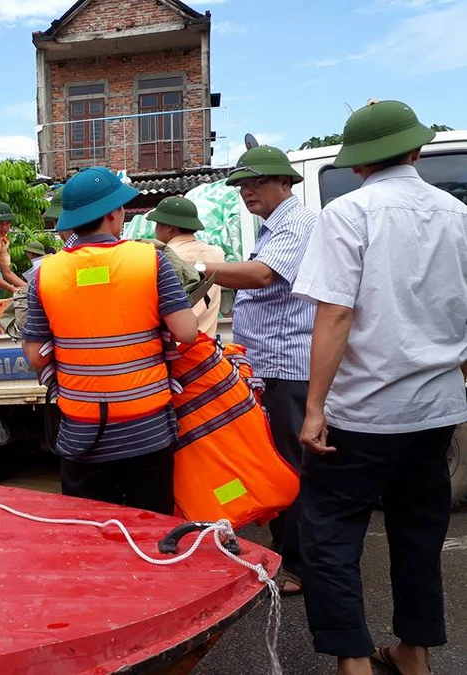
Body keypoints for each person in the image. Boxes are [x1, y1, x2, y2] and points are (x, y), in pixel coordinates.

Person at [292, 100, 467, 675]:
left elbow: (335, 314)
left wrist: (314, 407)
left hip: (363, 412)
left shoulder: (347, 213)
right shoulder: (454, 212)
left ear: (359, 163)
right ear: (416, 150)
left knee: (331, 533)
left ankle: (354, 663)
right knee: (419, 535)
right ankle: (413, 656)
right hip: (435, 408)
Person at [22, 166, 198, 513]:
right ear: (114, 215)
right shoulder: (151, 260)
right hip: (147, 432)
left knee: (93, 535)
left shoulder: (44, 274)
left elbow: (36, 357)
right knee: (150, 530)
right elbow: (186, 332)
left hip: (82, 434)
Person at [195, 145, 317, 595]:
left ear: (285, 183)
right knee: (276, 461)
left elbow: (263, 276)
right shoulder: (273, 227)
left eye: (257, 182)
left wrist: (196, 268)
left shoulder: (297, 225)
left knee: (290, 465)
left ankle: (302, 565)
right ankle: (291, 553)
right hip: (270, 363)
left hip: (288, 366)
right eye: (243, 185)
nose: (248, 192)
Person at [148, 197, 225, 337]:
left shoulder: (160, 258)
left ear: (170, 228)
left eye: (157, 224)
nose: (155, 230)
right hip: (206, 348)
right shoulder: (217, 254)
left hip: (176, 347)